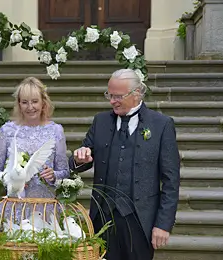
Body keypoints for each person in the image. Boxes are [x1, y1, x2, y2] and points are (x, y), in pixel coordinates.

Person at [69, 69, 180, 260]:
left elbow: (171, 181)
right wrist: (78, 159)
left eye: (118, 96)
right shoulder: (100, 121)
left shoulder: (161, 125)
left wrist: (163, 224)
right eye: (109, 95)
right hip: (103, 218)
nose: (112, 101)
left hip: (140, 220)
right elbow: (78, 161)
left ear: (137, 93)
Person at [0, 76, 69, 221]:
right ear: (19, 104)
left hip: (44, 206)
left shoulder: (56, 130)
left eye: (35, 101)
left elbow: (64, 171)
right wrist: (9, 179)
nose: (30, 107)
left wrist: (53, 176)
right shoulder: (8, 130)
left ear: (44, 103)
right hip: (14, 205)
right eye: (25, 102)